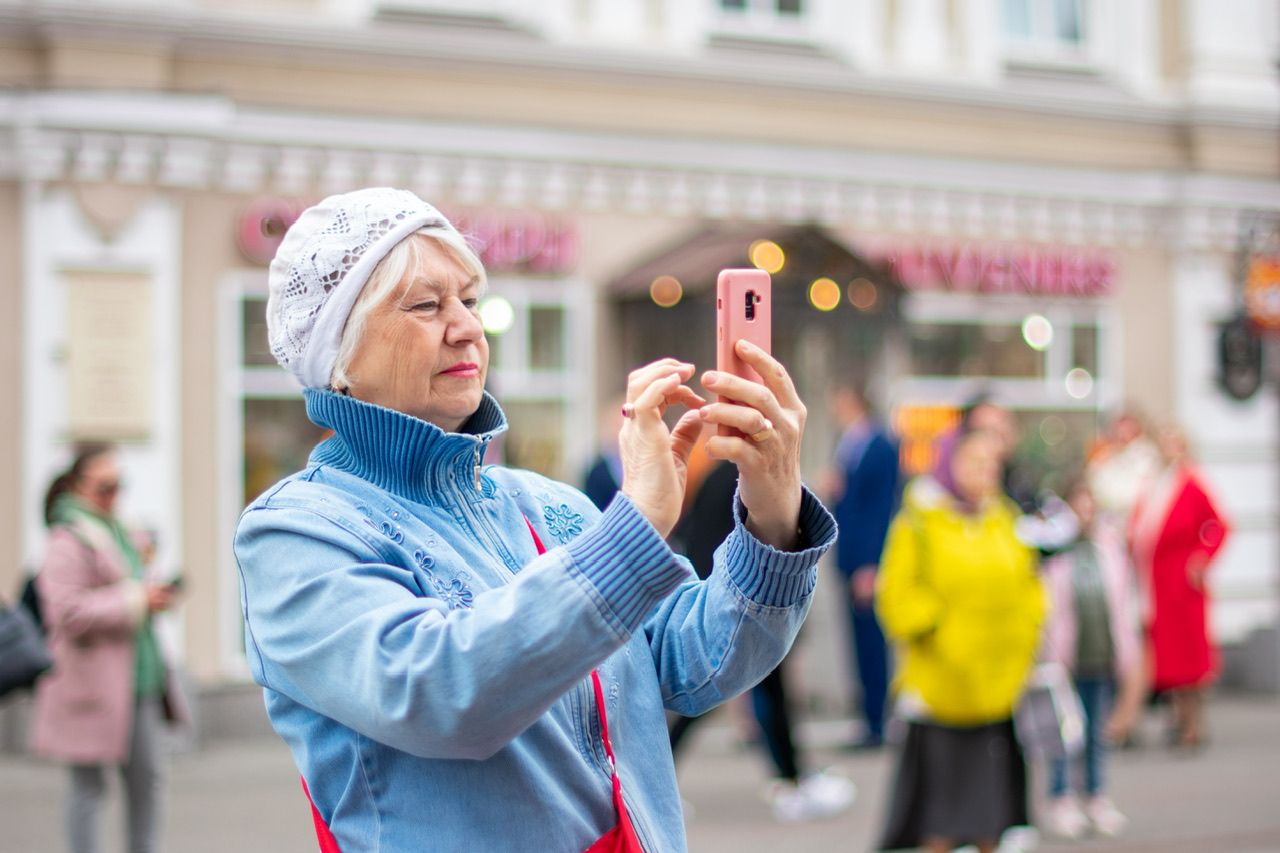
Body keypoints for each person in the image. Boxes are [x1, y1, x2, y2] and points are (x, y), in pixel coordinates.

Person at [234, 187, 835, 851]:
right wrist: (634, 526)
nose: (465, 325)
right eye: (428, 304)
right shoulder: (296, 531)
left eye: (468, 298)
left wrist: (772, 510)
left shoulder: (544, 503)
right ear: (338, 355)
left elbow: (699, 660)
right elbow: (442, 693)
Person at [876, 427, 1046, 853]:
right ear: (948, 464)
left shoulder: (1003, 517)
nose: (984, 473)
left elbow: (1029, 582)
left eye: (991, 465)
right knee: (941, 826)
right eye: (973, 463)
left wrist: (1028, 626)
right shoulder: (920, 520)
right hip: (942, 694)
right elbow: (896, 593)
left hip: (996, 690)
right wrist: (935, 628)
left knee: (991, 822)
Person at [670, 460, 855, 822]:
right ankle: (791, 780)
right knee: (733, 695)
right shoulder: (740, 476)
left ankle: (790, 777)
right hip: (741, 603)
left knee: (736, 696)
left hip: (731, 601)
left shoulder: (721, 475)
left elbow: (694, 534)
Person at [30, 442, 188, 853]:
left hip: (142, 679)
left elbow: (127, 585)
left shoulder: (119, 527)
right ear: (77, 486)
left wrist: (152, 593)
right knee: (89, 787)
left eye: (119, 485)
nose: (114, 495)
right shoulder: (67, 538)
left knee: (147, 782)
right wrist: (136, 600)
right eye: (104, 487)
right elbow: (65, 612)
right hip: (92, 687)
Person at [1040, 479, 1142, 840]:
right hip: (1065, 656)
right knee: (1065, 732)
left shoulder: (1109, 546)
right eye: (1077, 505)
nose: (1084, 512)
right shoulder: (1054, 549)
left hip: (1101, 652)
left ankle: (1096, 795)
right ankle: (1061, 797)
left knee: (1097, 731)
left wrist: (1128, 649)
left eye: (1089, 504)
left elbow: (1123, 600)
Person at [1129, 426, 1230, 749]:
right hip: (1157, 583)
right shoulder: (1155, 483)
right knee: (1168, 655)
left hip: (1182, 584)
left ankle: (1192, 724)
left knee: (1189, 657)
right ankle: (1177, 718)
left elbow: (1219, 525)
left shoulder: (1190, 483)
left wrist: (1203, 557)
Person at [826, 381, 899, 750]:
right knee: (856, 640)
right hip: (849, 556)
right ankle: (866, 716)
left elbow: (880, 509)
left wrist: (871, 564)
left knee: (872, 641)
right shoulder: (848, 443)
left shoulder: (880, 445)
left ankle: (877, 719)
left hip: (866, 562)